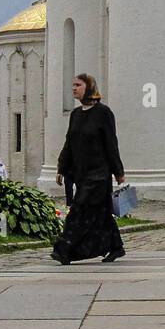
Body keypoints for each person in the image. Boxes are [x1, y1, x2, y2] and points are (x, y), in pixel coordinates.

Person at [54, 73, 126, 263]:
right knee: (102, 213)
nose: (74, 88)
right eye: (73, 85)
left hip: (99, 174)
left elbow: (111, 143)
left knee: (79, 209)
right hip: (81, 173)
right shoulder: (76, 115)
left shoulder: (103, 113)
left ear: (89, 87)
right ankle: (116, 247)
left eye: (78, 85)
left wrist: (118, 171)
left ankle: (64, 249)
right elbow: (69, 142)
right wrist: (61, 167)